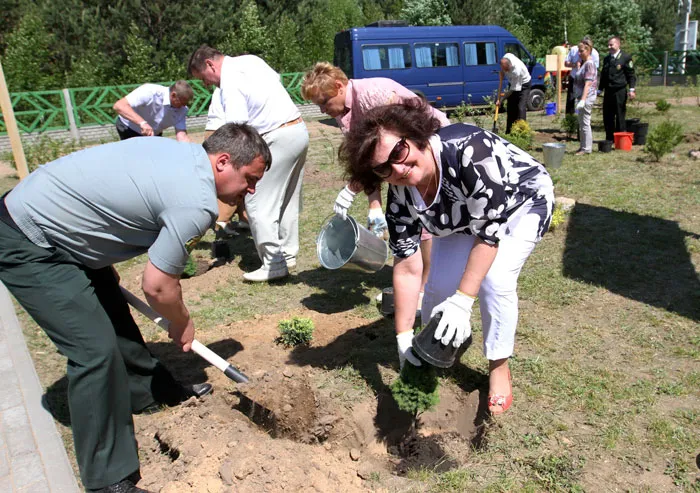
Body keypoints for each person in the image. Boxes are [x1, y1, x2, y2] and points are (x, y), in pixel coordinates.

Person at [0, 123, 271, 492]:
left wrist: (93, 249)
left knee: (112, 311)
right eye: (250, 178)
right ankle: (109, 480)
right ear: (223, 162)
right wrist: (182, 324)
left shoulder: (179, 154)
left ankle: (150, 393)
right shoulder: (196, 200)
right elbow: (158, 287)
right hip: (30, 240)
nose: (251, 190)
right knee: (95, 351)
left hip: (55, 225)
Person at [340, 100, 554, 415]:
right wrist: (404, 337)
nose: (397, 169)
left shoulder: (470, 151)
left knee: (495, 279)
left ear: (415, 136)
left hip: (520, 202)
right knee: (438, 287)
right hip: (463, 214)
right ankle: (435, 351)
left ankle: (498, 366)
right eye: (383, 168)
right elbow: (408, 268)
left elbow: (488, 236)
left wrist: (464, 301)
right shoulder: (400, 196)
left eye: (398, 153)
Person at [300, 61, 451, 305]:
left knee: (423, 221)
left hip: (428, 148)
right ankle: (418, 281)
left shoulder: (373, 94)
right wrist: (374, 206)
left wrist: (352, 188)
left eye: (324, 102)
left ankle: (427, 287)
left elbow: (394, 147)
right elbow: (369, 160)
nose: (323, 110)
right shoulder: (344, 113)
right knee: (406, 219)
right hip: (401, 159)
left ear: (339, 86)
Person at [188, 45, 309, 282]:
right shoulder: (251, 61)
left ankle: (274, 262)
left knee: (256, 202)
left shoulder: (229, 81)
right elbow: (276, 80)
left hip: (274, 136)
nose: (207, 84)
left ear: (211, 65)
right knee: (287, 198)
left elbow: (238, 126)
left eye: (204, 77)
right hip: (297, 129)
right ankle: (287, 252)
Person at [206, 87, 249, 235]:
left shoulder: (228, 79)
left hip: (220, 130)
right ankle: (221, 221)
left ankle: (244, 218)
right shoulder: (232, 80)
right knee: (233, 183)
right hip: (225, 132)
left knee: (244, 181)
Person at [113, 80, 193, 142]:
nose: (183, 106)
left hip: (153, 134)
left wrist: (190, 150)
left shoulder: (182, 110)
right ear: (173, 95)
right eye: (182, 102)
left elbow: (181, 135)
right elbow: (119, 106)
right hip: (129, 128)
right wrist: (142, 123)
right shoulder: (150, 91)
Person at [600, 36, 637, 142]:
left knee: (620, 114)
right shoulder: (607, 59)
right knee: (607, 115)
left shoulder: (625, 57)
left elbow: (631, 75)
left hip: (619, 90)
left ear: (618, 44)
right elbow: (604, 75)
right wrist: (600, 88)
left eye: (611, 45)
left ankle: (620, 138)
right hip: (608, 91)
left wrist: (632, 89)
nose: (609, 47)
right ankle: (609, 138)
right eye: (608, 45)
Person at [574, 39, 598, 155]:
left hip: (587, 97)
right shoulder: (584, 64)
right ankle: (582, 146)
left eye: (581, 51)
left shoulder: (589, 64)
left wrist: (583, 100)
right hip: (581, 97)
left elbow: (588, 83)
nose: (579, 53)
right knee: (581, 123)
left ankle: (587, 148)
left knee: (585, 123)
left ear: (588, 50)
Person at [497, 53, 531, 134]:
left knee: (520, 108)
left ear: (510, 66)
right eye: (503, 69)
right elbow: (503, 65)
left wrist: (501, 99)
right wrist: (502, 73)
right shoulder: (506, 57)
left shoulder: (516, 71)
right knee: (511, 107)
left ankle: (522, 132)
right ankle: (509, 132)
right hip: (513, 83)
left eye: (506, 70)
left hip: (524, 85)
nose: (505, 71)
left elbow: (513, 90)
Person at [565, 36, 600, 115]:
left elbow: (595, 69)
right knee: (571, 99)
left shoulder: (595, 54)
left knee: (583, 100)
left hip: (586, 80)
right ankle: (569, 120)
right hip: (574, 77)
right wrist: (574, 64)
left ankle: (581, 117)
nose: (579, 52)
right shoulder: (574, 50)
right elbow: (566, 63)